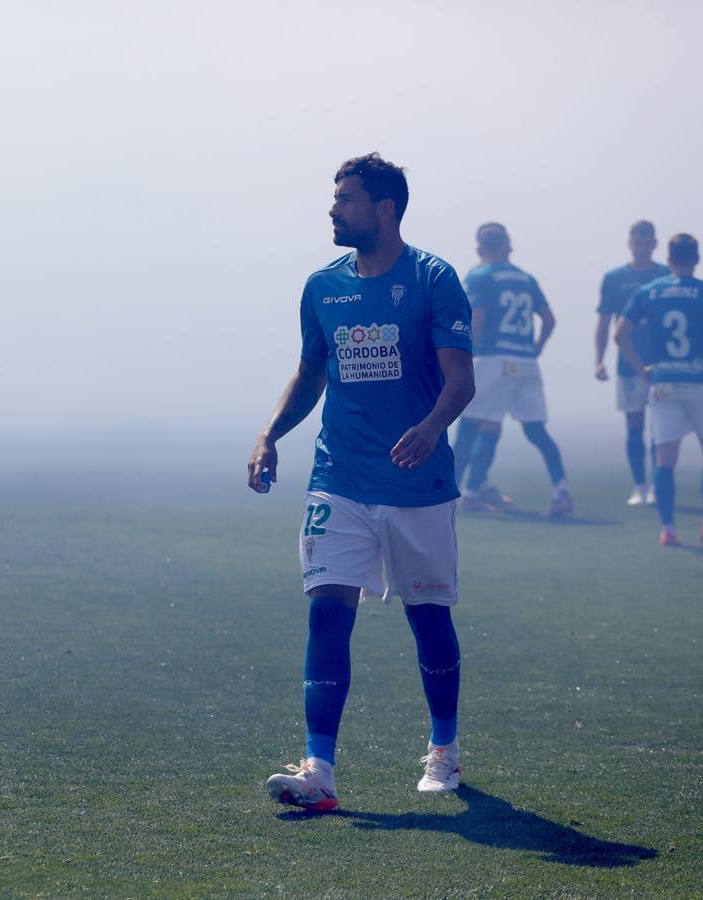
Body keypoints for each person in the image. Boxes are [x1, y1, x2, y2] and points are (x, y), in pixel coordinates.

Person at [247, 154, 476, 810]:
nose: (332, 209)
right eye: (334, 197)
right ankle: (319, 771)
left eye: (345, 198)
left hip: (416, 483)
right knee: (326, 612)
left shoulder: (434, 279)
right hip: (338, 477)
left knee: (428, 619)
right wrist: (269, 436)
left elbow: (461, 379)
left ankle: (444, 750)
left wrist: (431, 427)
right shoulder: (322, 287)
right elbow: (310, 374)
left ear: (385, 209)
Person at [615, 233, 703, 546]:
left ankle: (668, 529)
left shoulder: (648, 291)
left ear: (668, 260)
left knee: (665, 457)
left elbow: (620, 334)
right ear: (696, 259)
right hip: (700, 381)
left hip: (664, 382)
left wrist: (642, 369)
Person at [450, 223, 572, 518]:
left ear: (479, 249)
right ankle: (561, 491)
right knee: (534, 430)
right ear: (508, 246)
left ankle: (460, 491)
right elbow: (550, 320)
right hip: (526, 361)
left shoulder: (479, 276)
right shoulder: (525, 278)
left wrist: (466, 352)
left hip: (493, 359)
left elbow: (476, 319)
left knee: (471, 424)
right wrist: (537, 346)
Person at [595, 221, 670, 505]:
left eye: (646, 241)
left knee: (661, 427)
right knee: (635, 425)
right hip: (629, 363)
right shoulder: (614, 278)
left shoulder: (665, 274)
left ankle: (659, 485)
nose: (641, 246)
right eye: (636, 241)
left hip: (663, 365)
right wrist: (598, 360)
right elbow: (603, 322)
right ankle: (640, 485)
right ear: (630, 243)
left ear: (654, 243)